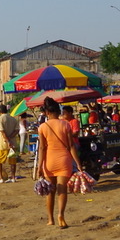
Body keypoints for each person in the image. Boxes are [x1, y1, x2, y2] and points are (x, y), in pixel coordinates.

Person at [36, 97, 82, 228]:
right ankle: (61, 215)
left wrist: (39, 166)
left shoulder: (42, 127)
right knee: (62, 189)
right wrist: (78, 163)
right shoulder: (66, 125)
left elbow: (42, 148)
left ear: (47, 112)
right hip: (64, 160)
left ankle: (50, 219)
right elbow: (71, 146)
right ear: (58, 112)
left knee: (50, 191)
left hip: (49, 162)